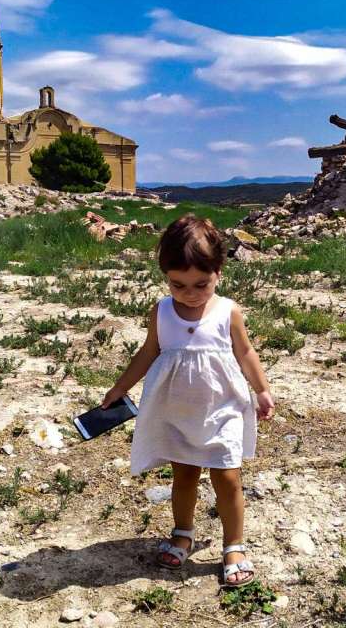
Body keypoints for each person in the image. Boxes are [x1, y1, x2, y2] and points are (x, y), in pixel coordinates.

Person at [101, 214, 275, 587]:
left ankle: (234, 545)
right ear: (166, 277)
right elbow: (148, 352)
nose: (190, 294)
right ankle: (183, 532)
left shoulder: (228, 312)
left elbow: (245, 353)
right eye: (178, 285)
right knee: (184, 475)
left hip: (222, 409)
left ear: (218, 274)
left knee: (227, 476)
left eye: (201, 284)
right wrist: (120, 387)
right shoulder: (162, 311)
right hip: (177, 412)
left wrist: (261, 390)